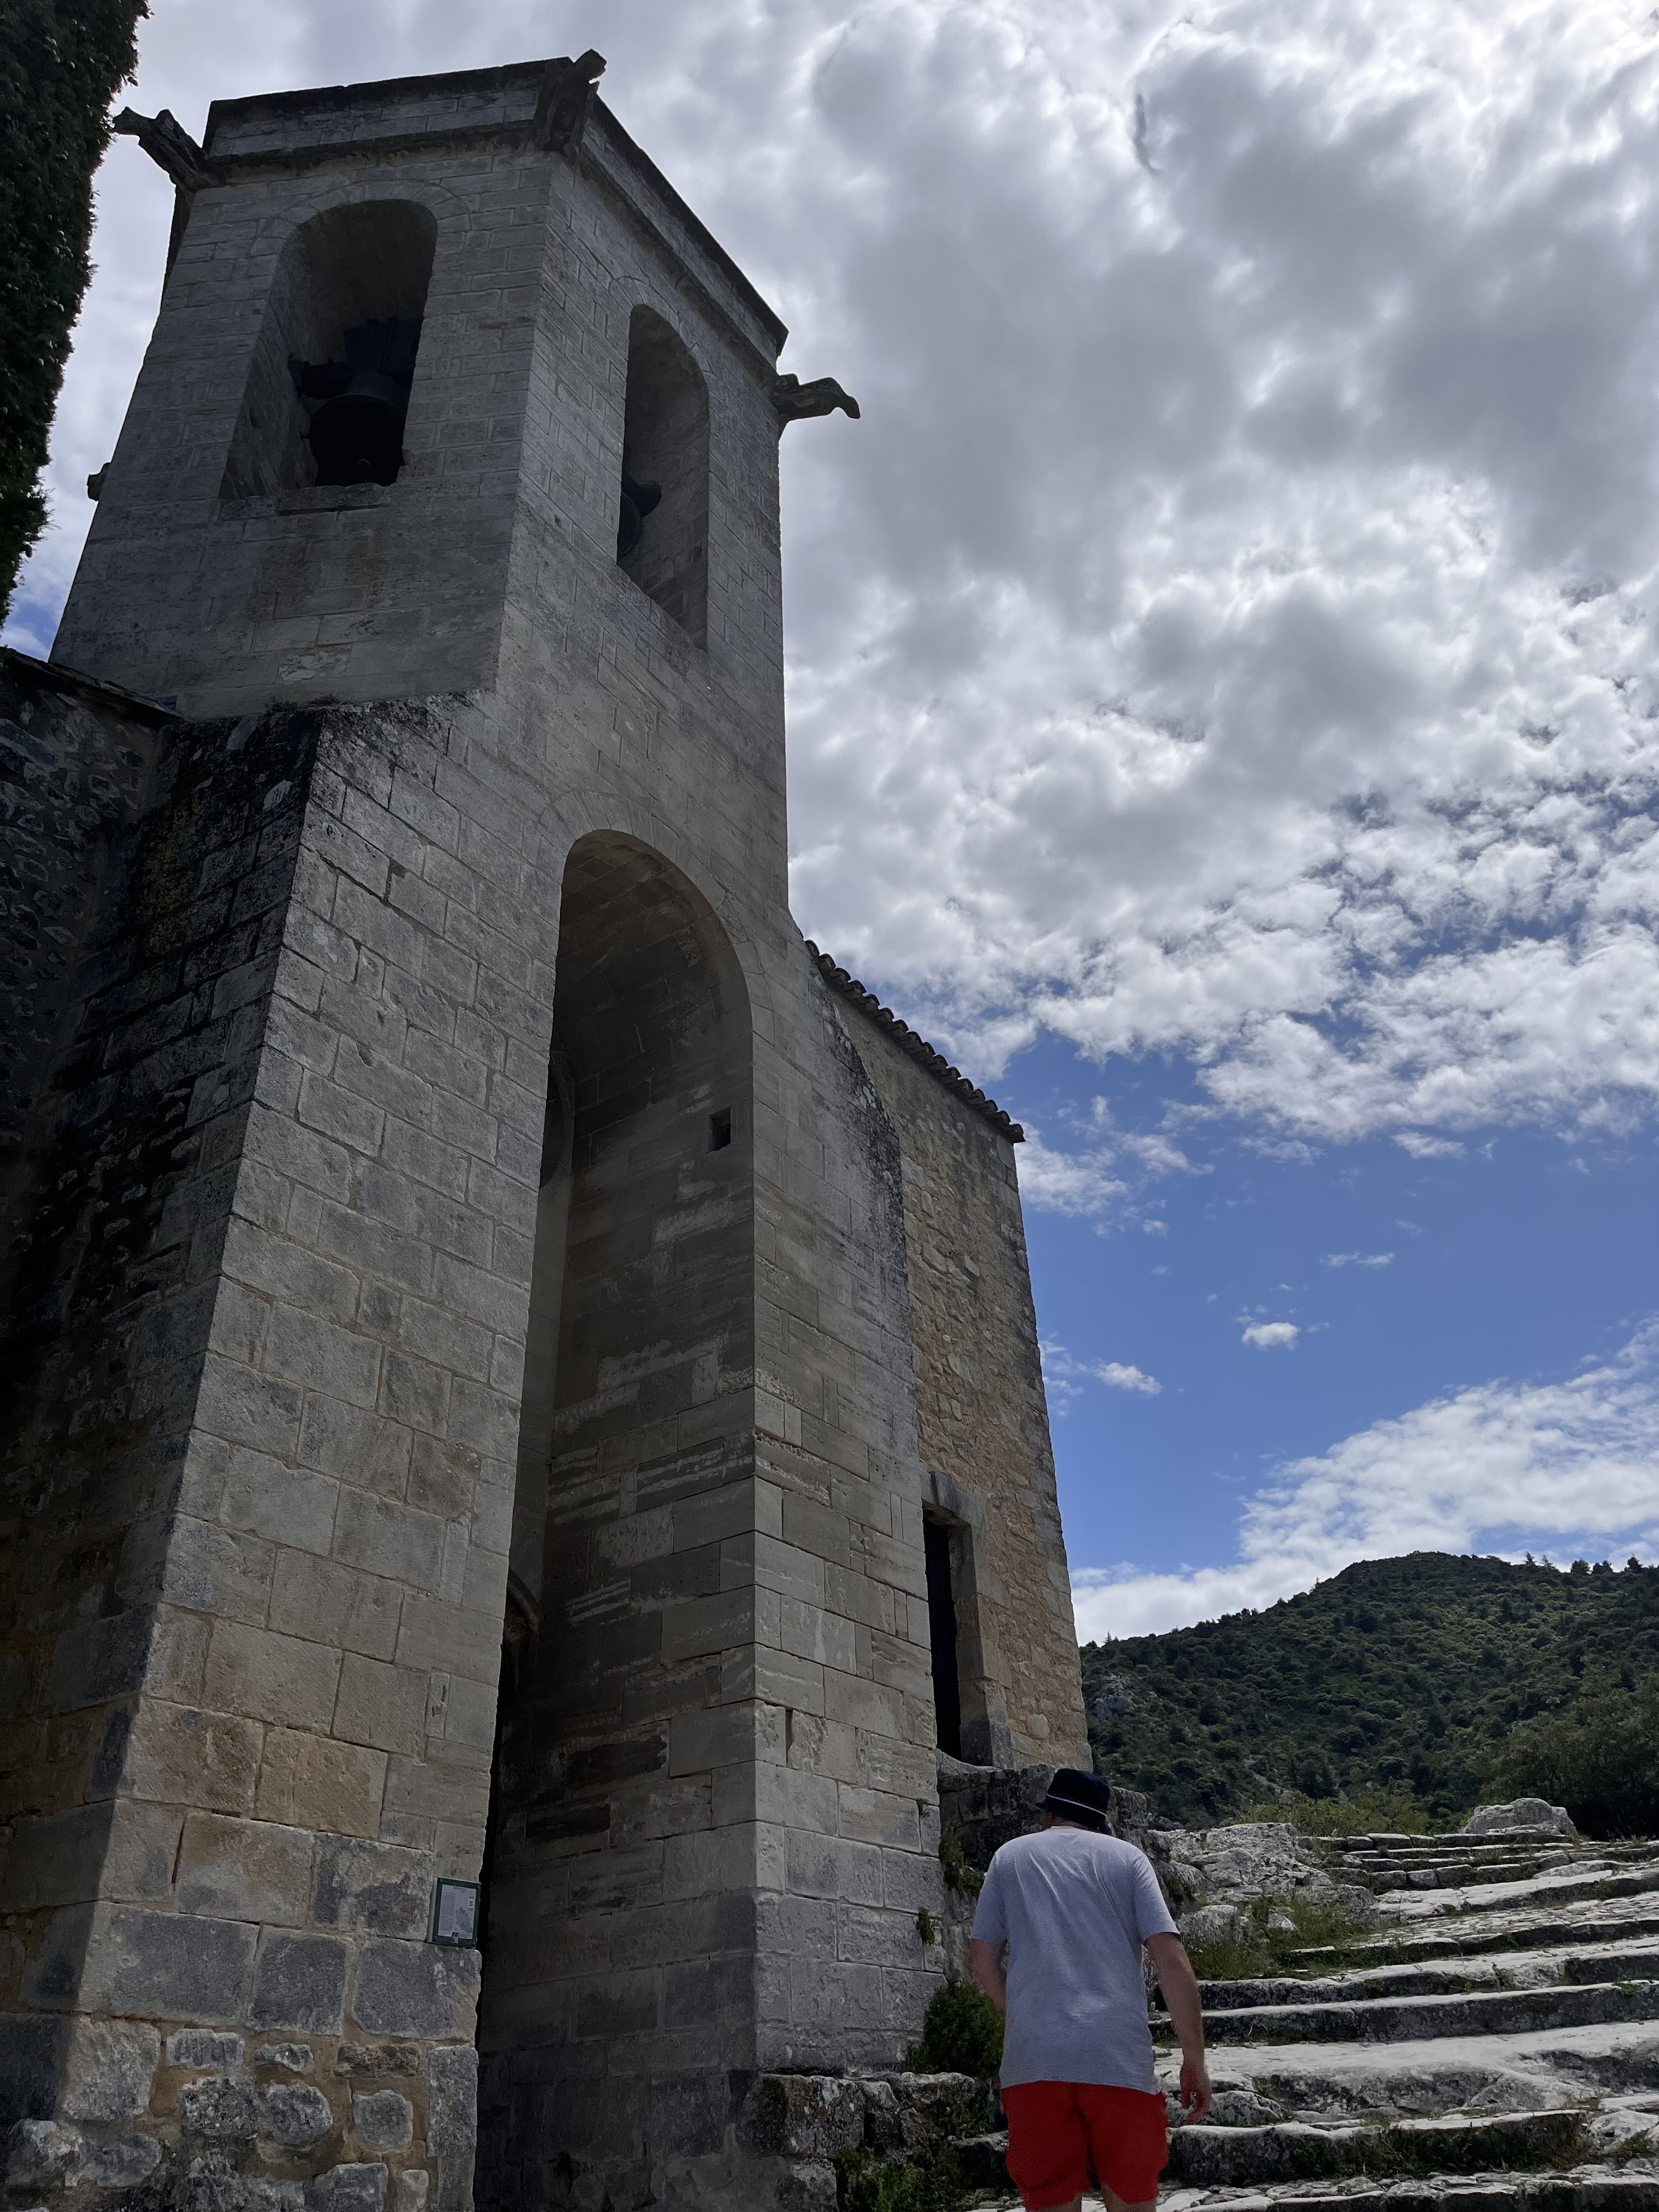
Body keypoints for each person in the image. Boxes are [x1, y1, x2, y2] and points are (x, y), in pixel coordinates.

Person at [967, 1768, 1210, 2212]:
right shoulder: (1128, 1860)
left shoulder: (1009, 1858)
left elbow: (982, 1963)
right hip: (1117, 2059)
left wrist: (1023, 2014)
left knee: (1051, 2200)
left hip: (1035, 2062)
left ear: (1049, 1816)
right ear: (1100, 1821)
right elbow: (1172, 1963)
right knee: (1131, 2198)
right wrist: (1194, 2058)